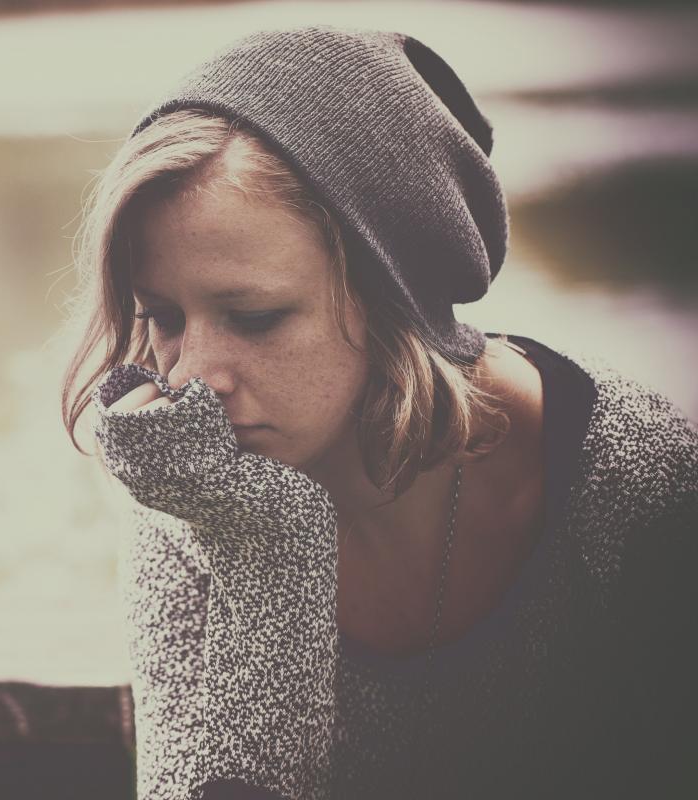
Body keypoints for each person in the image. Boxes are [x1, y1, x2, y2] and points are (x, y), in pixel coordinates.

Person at [58, 25, 698, 800]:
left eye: (254, 317)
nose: (192, 377)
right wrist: (264, 550)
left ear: (393, 294)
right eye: (162, 316)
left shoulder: (634, 486)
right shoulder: (201, 502)